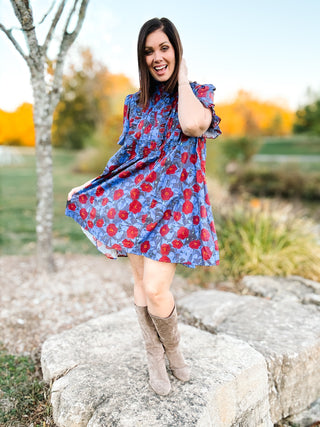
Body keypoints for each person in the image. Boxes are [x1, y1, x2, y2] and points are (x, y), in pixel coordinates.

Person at [66, 17, 221, 396]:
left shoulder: (199, 93)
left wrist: (182, 78)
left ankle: (174, 351)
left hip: (178, 208)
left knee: (155, 288)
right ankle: (154, 356)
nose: (156, 57)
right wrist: (94, 189)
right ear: (142, 57)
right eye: (149, 51)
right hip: (139, 205)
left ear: (176, 50)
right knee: (139, 283)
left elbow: (193, 126)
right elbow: (124, 158)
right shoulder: (135, 103)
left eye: (164, 48)